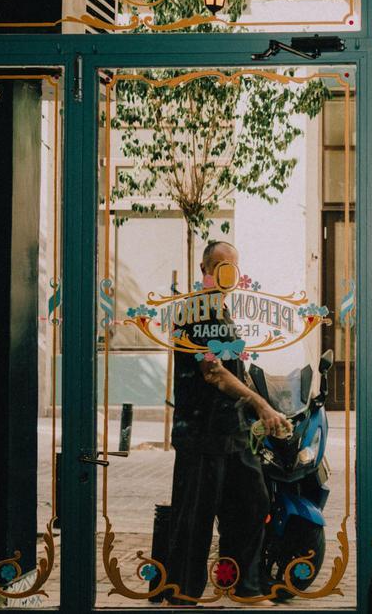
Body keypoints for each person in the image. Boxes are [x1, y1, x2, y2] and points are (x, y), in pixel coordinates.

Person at [162, 241, 289, 602]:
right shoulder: (195, 312)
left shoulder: (221, 311)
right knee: (195, 520)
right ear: (203, 267)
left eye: (230, 267)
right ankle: (183, 594)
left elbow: (234, 369)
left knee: (252, 503)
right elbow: (213, 373)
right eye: (217, 266)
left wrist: (265, 401)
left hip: (231, 432)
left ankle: (239, 583)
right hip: (201, 434)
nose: (224, 274)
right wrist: (260, 404)